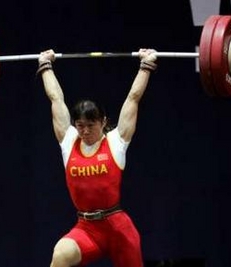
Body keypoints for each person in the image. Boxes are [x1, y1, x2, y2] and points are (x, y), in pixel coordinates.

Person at [37, 48, 157, 267]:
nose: (84, 131)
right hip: (87, 228)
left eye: (90, 126)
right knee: (60, 255)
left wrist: (145, 65)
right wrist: (45, 66)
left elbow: (133, 97)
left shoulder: (116, 141)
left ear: (103, 122)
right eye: (80, 126)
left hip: (119, 230)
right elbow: (56, 98)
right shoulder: (68, 141)